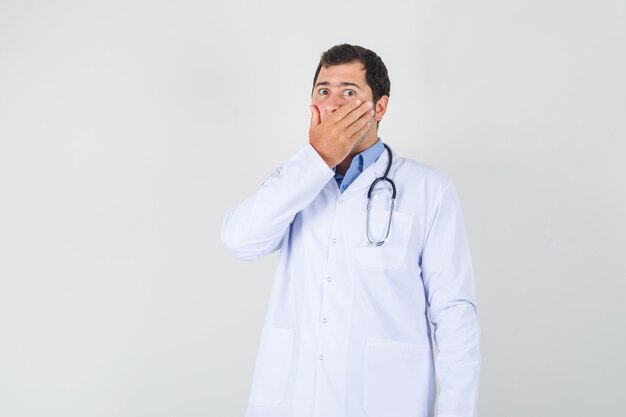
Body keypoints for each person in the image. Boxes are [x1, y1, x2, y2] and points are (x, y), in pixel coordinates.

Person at [221, 43, 481, 417]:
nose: (335, 104)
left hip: (386, 402)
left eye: (350, 92)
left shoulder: (428, 188)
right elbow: (239, 241)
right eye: (324, 91)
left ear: (379, 107)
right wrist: (317, 160)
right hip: (293, 402)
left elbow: (455, 313)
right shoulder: (294, 182)